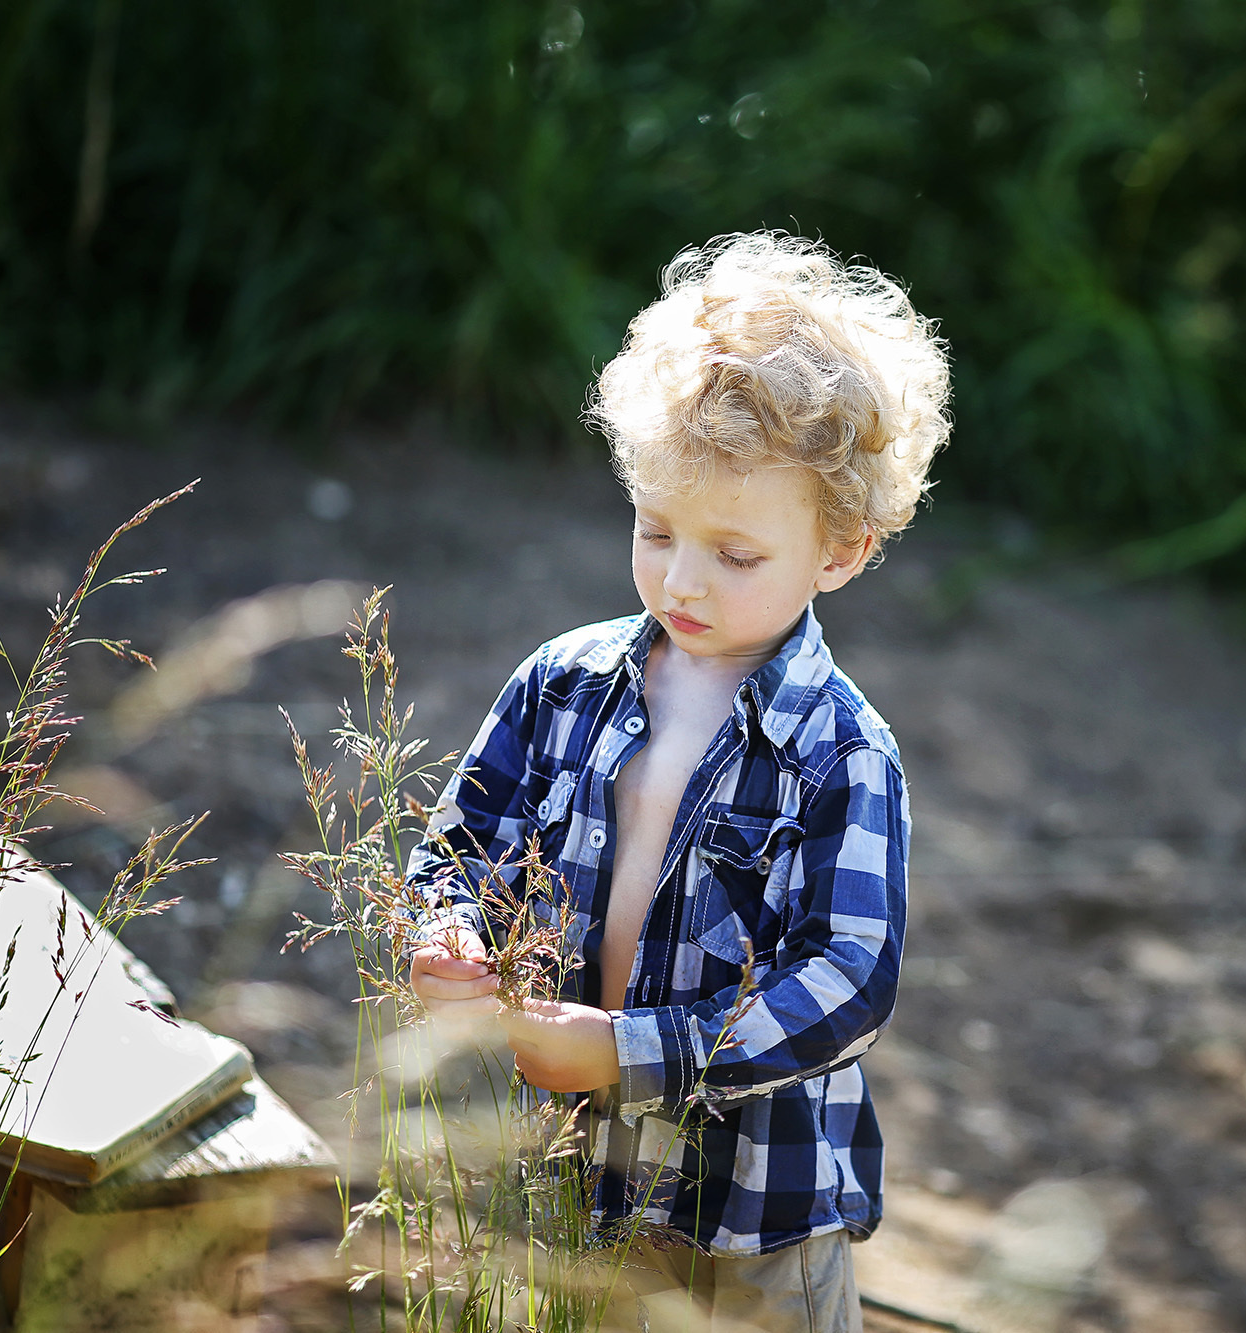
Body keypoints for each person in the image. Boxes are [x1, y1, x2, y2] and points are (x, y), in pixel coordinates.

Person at [402, 231, 949, 1332]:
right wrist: (447, 932)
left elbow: (847, 980)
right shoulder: (562, 683)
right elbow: (457, 850)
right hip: (567, 1164)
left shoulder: (839, 749)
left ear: (840, 550)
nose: (682, 581)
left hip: (750, 1209)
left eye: (735, 555)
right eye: (656, 530)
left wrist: (631, 1051)